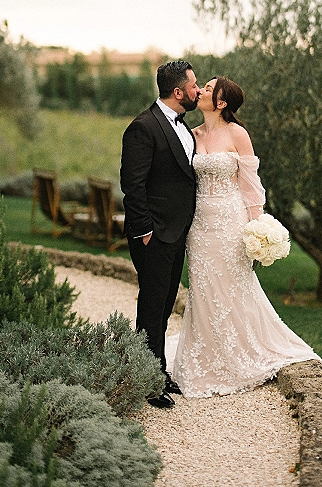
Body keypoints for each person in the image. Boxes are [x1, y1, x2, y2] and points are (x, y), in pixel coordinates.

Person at [171, 76, 322, 398]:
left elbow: (251, 186)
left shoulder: (237, 134)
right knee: (203, 289)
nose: (201, 91)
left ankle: (242, 353)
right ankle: (207, 356)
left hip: (230, 221)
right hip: (200, 225)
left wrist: (258, 228)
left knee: (234, 286)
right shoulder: (191, 134)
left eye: (209, 89)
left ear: (222, 103)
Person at [120, 60, 200, 408]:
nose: (198, 91)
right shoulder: (143, 127)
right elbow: (132, 184)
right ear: (178, 91)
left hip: (177, 233)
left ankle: (158, 371)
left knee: (165, 305)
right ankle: (147, 383)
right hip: (154, 235)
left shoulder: (184, 128)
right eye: (194, 85)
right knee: (152, 306)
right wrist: (145, 231)